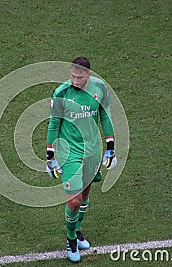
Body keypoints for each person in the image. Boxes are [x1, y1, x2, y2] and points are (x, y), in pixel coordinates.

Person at [46, 56, 117, 262]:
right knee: (74, 200)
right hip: (70, 153)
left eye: (79, 77)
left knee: (85, 193)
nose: (75, 81)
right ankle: (70, 239)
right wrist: (50, 154)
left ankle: (77, 231)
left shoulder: (99, 88)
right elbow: (53, 124)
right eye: (72, 76)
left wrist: (110, 147)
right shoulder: (61, 92)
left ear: (88, 75)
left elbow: (105, 115)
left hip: (93, 151)